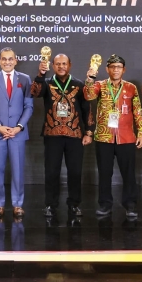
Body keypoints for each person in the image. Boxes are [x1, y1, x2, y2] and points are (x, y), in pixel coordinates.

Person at [32, 53, 92, 219]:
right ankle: (50, 204)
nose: (61, 67)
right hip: (52, 135)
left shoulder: (79, 85)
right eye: (58, 64)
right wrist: (40, 74)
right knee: (51, 171)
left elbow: (87, 110)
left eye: (64, 63)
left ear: (69, 65)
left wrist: (89, 131)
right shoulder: (47, 83)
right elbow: (35, 92)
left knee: (75, 172)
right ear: (53, 66)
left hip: (75, 135)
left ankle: (74, 204)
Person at [84, 54, 142, 218]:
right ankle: (105, 204)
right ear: (107, 69)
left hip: (126, 137)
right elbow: (88, 96)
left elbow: (138, 111)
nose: (115, 70)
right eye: (112, 67)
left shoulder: (131, 88)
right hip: (104, 137)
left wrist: (141, 132)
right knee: (104, 173)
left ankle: (130, 205)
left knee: (129, 174)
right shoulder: (99, 85)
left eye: (118, 67)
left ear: (123, 70)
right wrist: (89, 79)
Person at [0, 47, 33, 218]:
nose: (7, 62)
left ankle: (17, 204)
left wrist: (18, 127)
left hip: (18, 133)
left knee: (18, 170)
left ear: (15, 60)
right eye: (4, 59)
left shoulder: (25, 79)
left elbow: (29, 106)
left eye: (10, 59)